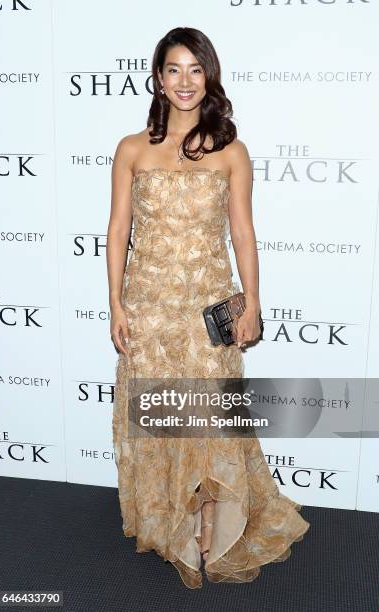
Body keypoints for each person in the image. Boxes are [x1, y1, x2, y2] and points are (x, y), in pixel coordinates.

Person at [106, 26, 310, 589]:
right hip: (150, 307)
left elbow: (243, 232)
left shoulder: (231, 152)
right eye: (174, 69)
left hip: (206, 307)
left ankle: (206, 535)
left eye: (196, 69)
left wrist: (253, 303)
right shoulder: (131, 149)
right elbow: (118, 228)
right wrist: (116, 304)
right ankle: (172, 524)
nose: (185, 81)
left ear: (209, 76)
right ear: (157, 78)